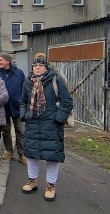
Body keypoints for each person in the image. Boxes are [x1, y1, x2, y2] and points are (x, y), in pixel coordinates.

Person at [20, 53, 73, 201]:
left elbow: (67, 102)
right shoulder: (27, 82)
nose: (37, 67)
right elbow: (22, 101)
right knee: (31, 154)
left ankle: (51, 185)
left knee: (52, 156)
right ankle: (32, 180)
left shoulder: (55, 80)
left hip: (51, 124)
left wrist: (58, 118)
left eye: (41, 65)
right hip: (33, 122)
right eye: (35, 65)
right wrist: (24, 115)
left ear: (46, 67)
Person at [0, 53, 27, 165]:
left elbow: (24, 89)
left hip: (17, 107)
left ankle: (22, 154)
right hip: (3, 107)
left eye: (1, 60)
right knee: (5, 131)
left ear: (8, 61)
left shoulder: (19, 73)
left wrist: (23, 102)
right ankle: (9, 150)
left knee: (21, 131)